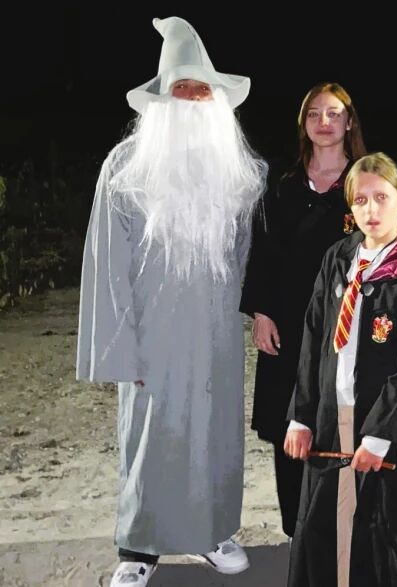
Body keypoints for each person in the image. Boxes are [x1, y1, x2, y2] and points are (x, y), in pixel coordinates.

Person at [76, 16, 267, 587]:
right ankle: (139, 546)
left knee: (213, 433)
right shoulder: (126, 168)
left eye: (201, 90)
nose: (192, 99)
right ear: (161, 99)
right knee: (151, 437)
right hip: (152, 335)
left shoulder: (240, 173)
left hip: (214, 335)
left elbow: (247, 258)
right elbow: (107, 266)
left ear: (216, 100)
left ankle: (211, 531)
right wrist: (121, 351)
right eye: (181, 89)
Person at [284, 153, 397, 587]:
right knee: (324, 524)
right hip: (331, 414)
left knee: (379, 533)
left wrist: (379, 435)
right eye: (360, 200)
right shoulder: (339, 257)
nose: (371, 210)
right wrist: (301, 415)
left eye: (381, 197)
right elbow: (314, 336)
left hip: (382, 422)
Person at [239, 82, 366, 537]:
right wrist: (261, 313)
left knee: (342, 423)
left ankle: (346, 528)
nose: (323, 122)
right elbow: (263, 250)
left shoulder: (365, 182)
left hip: (348, 326)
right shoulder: (283, 184)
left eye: (333, 113)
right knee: (289, 424)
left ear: (349, 122)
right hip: (289, 324)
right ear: (303, 124)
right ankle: (298, 531)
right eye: (314, 114)